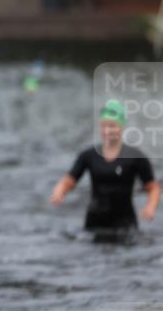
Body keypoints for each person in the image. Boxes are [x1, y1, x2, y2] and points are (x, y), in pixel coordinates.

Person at [50, 99, 158, 240]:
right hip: (94, 225)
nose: (108, 131)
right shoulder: (89, 155)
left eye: (112, 126)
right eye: (104, 126)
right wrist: (59, 191)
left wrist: (150, 207)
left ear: (121, 127)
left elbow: (153, 187)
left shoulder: (135, 157)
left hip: (125, 226)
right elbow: (70, 180)